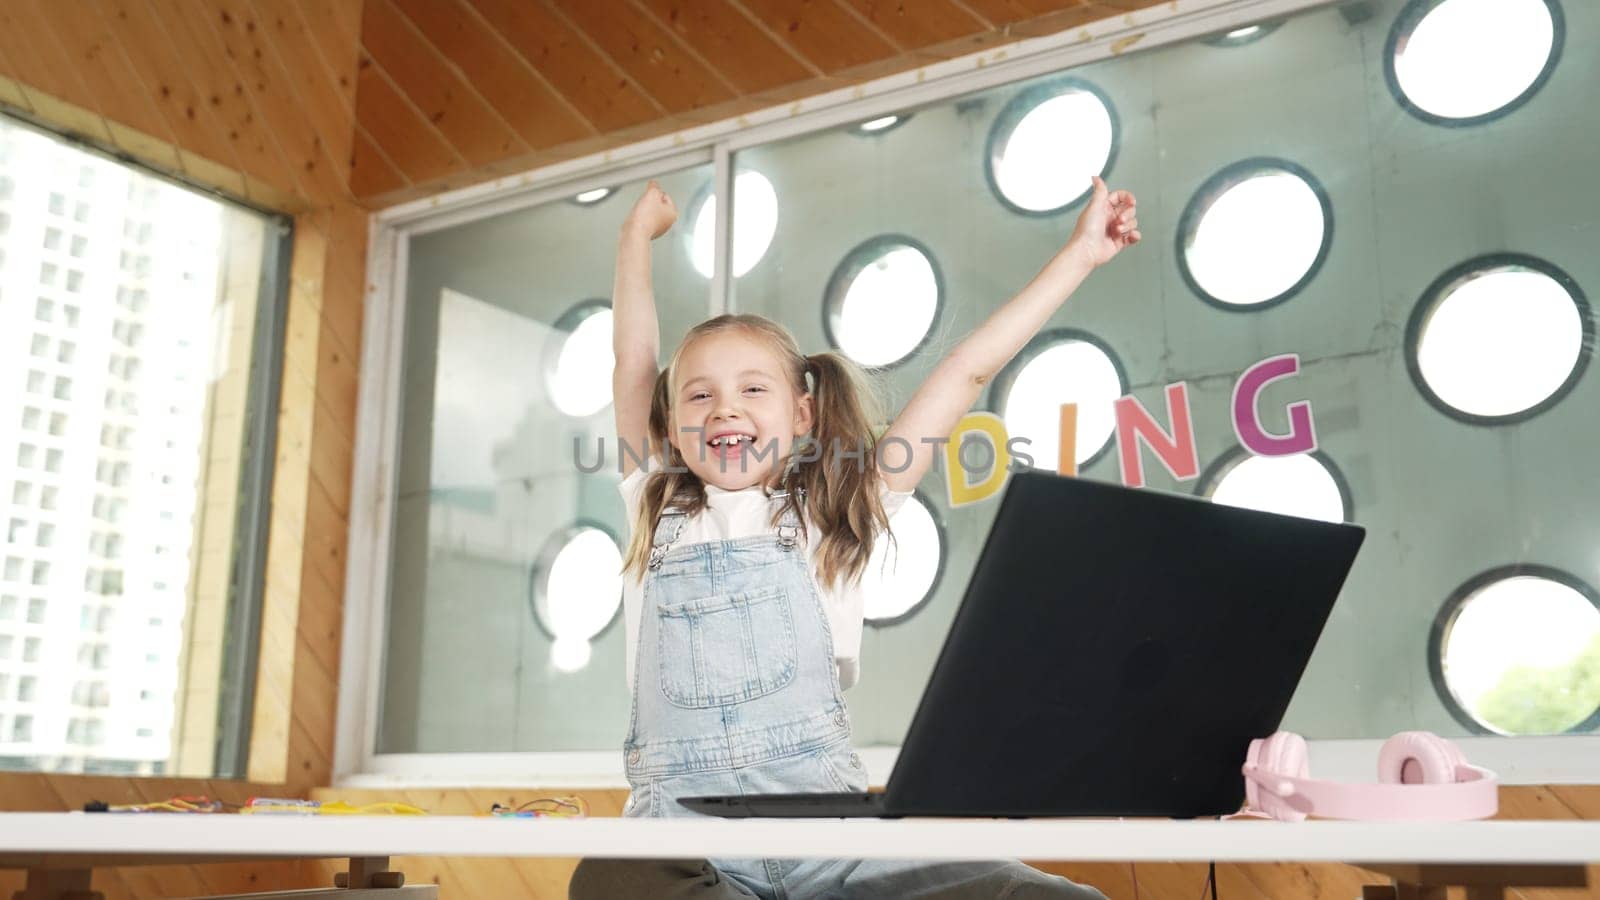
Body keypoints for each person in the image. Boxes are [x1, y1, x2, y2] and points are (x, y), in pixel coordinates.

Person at [570, 175, 1140, 900]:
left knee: (1053, 899)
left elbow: (966, 372)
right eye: (699, 393)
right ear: (672, 423)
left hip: (835, 850)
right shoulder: (652, 501)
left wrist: (1080, 256)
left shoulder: (836, 518)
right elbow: (632, 362)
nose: (724, 408)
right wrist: (632, 243)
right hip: (689, 853)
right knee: (610, 877)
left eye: (752, 388)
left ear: (803, 415)